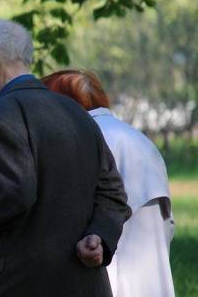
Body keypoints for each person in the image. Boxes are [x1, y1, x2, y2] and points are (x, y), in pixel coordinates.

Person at [0, 19, 131, 296]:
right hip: (87, 285)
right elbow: (112, 191)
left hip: (24, 283)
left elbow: (12, 195)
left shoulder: (6, 114)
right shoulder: (74, 111)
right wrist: (100, 236)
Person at [42, 70, 175, 297]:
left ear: (62, 104)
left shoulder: (84, 140)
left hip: (104, 277)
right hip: (152, 276)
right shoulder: (138, 138)